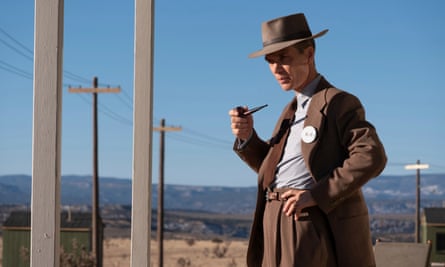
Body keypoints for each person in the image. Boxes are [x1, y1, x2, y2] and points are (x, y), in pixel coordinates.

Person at [229, 13, 387, 267]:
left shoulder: (337, 102)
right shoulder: (289, 111)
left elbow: (371, 156)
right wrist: (247, 137)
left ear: (309, 54)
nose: (276, 69)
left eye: (284, 58)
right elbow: (273, 172)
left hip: (304, 219)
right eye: (270, 61)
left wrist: (317, 194)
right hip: (273, 219)